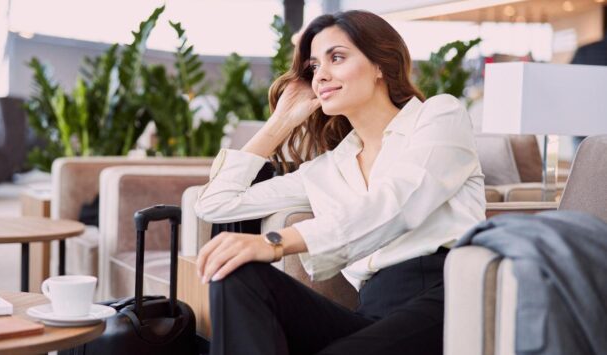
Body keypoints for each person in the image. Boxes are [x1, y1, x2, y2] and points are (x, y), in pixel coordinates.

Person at [194, 10, 485, 355]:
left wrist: (275, 242)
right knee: (238, 277)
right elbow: (216, 203)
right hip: (372, 313)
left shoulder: (438, 116)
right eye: (314, 66)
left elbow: (397, 204)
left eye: (336, 58)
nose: (322, 75)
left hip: (447, 298)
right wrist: (280, 121)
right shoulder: (327, 170)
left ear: (380, 65)